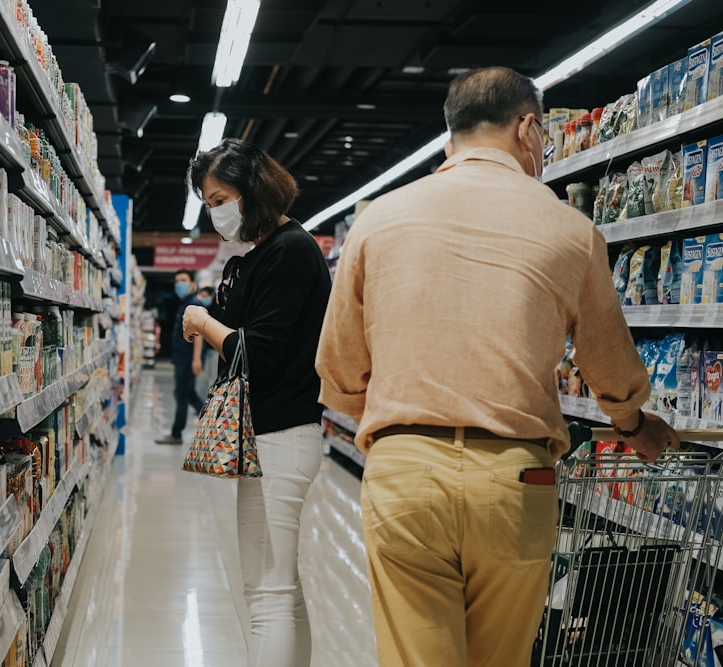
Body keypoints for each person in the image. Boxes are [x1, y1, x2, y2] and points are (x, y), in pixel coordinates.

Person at [314, 66, 681, 667]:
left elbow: (339, 370)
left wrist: (398, 428)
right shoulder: (571, 228)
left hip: (405, 474)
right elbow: (608, 363)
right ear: (529, 128)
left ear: (449, 134)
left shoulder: (378, 219)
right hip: (516, 478)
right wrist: (634, 428)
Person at [181, 138, 331, 667]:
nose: (214, 211)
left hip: (278, 437)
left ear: (253, 190)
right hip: (274, 435)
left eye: (220, 198)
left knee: (266, 596)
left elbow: (258, 355)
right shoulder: (266, 251)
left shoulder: (289, 251)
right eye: (208, 202)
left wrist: (204, 323)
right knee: (282, 590)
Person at [155, 269, 204, 445]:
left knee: (181, 394)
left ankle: (176, 434)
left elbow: (199, 334)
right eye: (176, 281)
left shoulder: (194, 304)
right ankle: (213, 420)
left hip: (187, 358)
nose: (178, 284)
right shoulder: (184, 304)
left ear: (192, 284)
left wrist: (197, 359)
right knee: (189, 394)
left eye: (183, 280)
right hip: (182, 357)